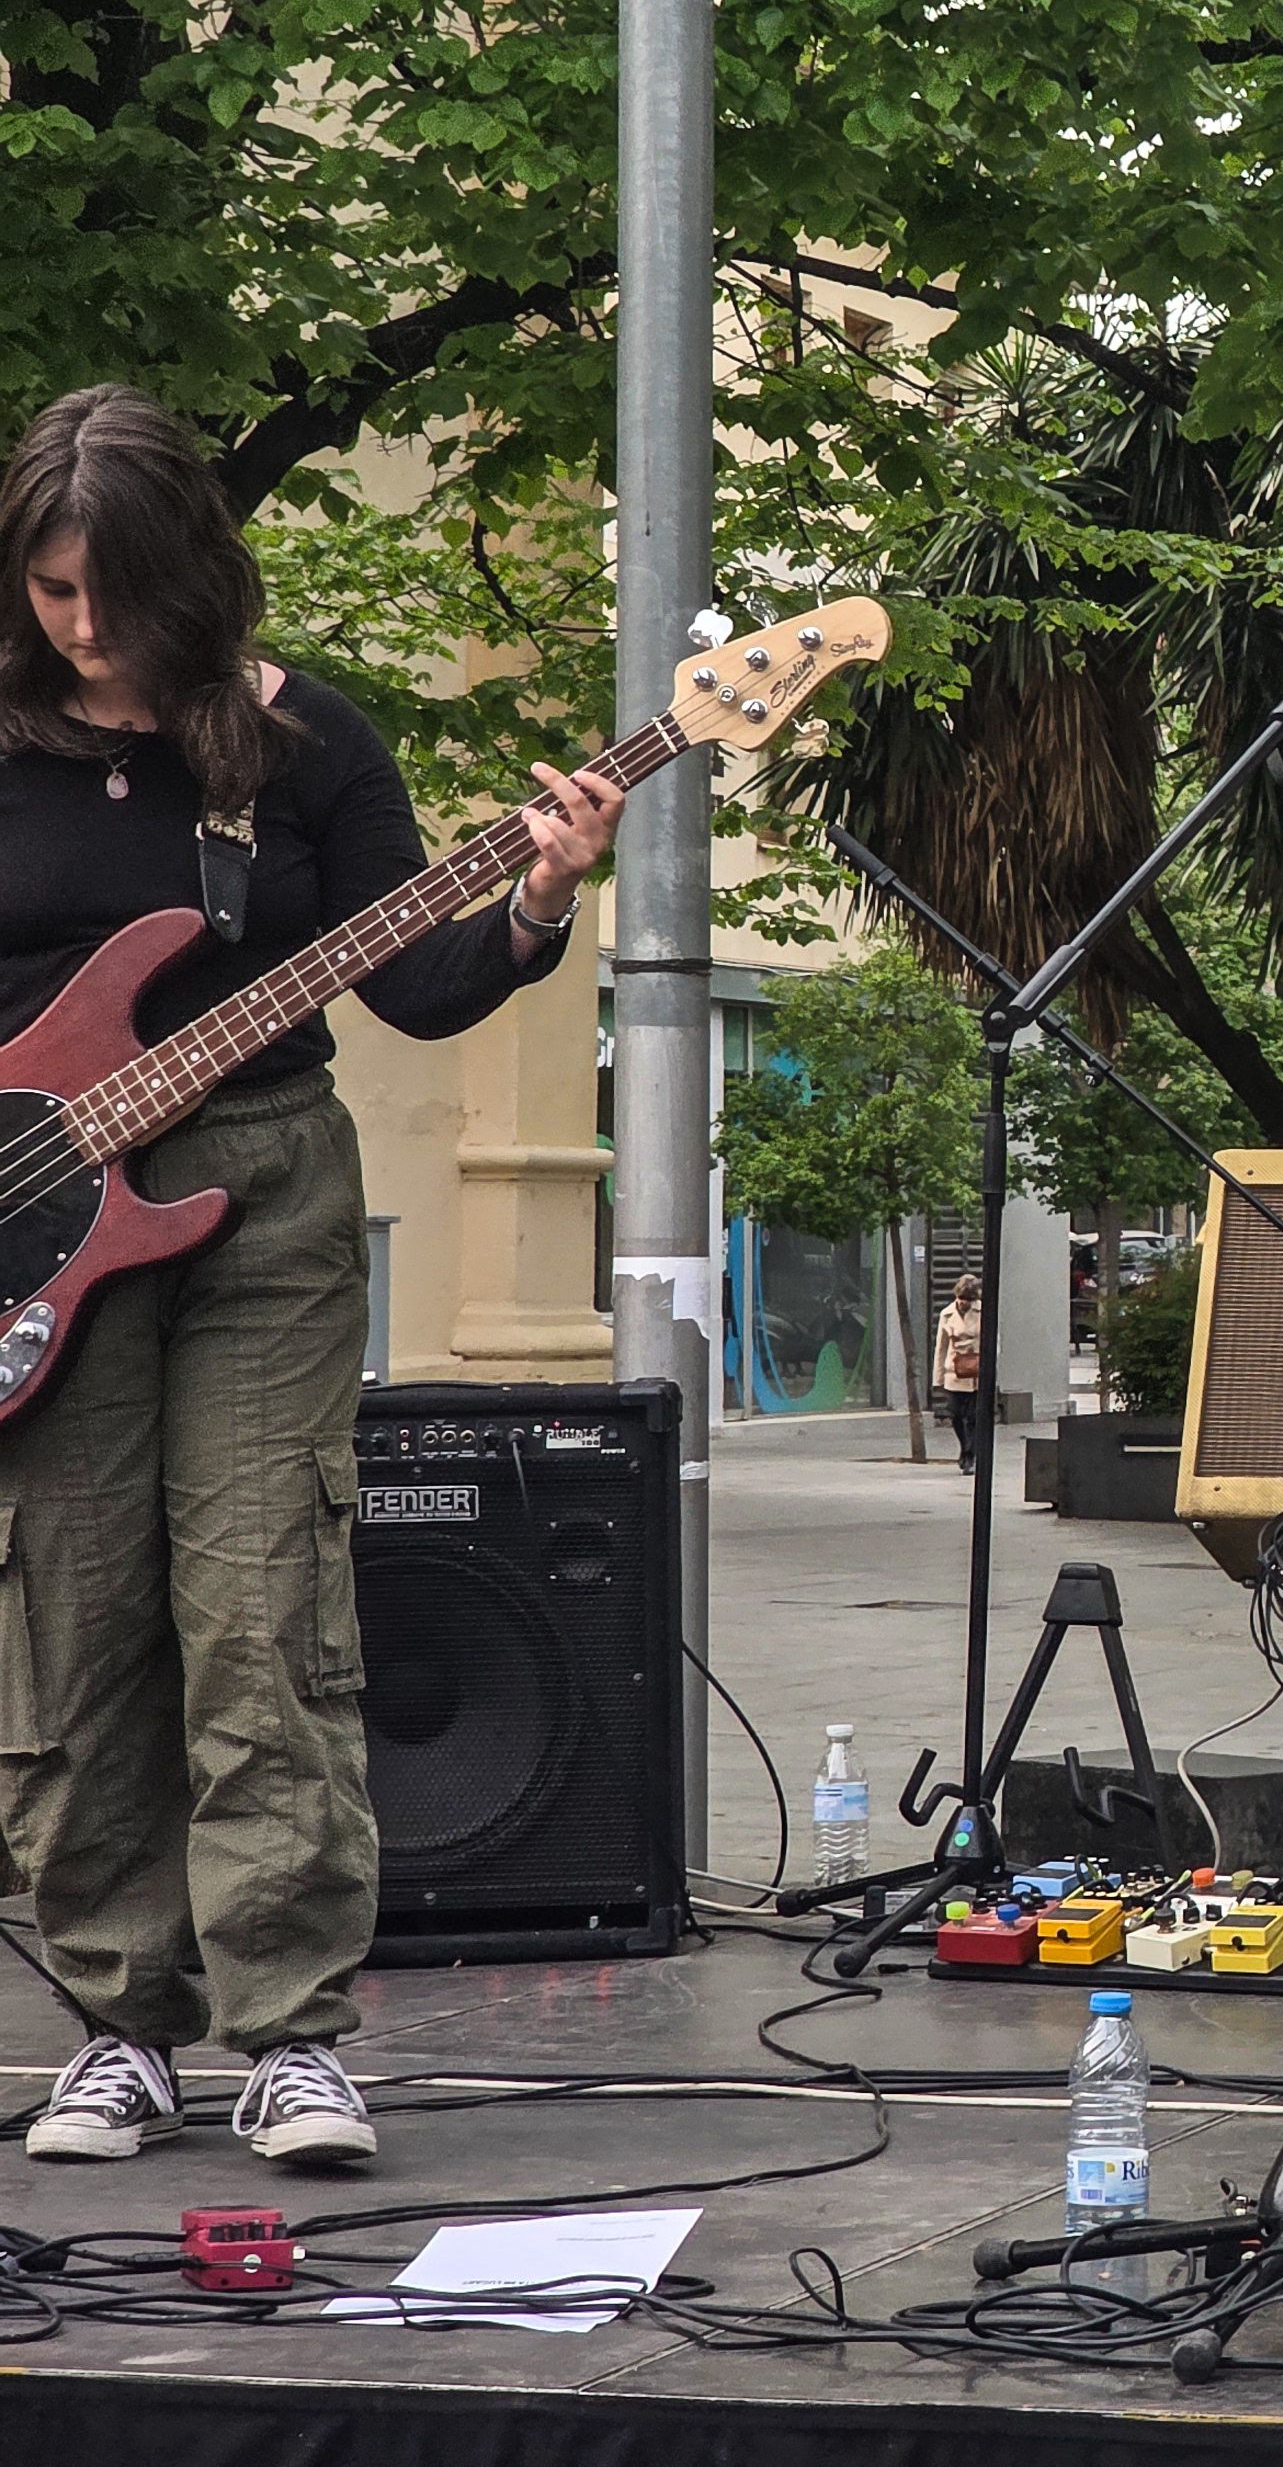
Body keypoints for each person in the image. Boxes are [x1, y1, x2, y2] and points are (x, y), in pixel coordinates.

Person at [0, 386, 625, 2168]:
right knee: (75, 1618)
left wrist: (531, 903)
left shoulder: (304, 745)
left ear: (189, 570)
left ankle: (291, 2035)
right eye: (52, 592)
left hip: (265, 1194)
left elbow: (411, 988)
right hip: (28, 1210)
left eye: (113, 589)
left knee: (266, 1603)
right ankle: (124, 2024)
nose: (86, 627)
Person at [934, 1270, 986, 1468]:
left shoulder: (983, 1312)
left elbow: (993, 1341)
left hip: (975, 1371)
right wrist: (937, 1378)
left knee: (973, 1416)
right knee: (955, 1413)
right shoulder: (946, 1314)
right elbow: (941, 1347)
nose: (964, 1302)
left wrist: (988, 1368)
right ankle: (965, 1447)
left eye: (969, 1299)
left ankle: (970, 1454)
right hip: (953, 1371)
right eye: (962, 1297)